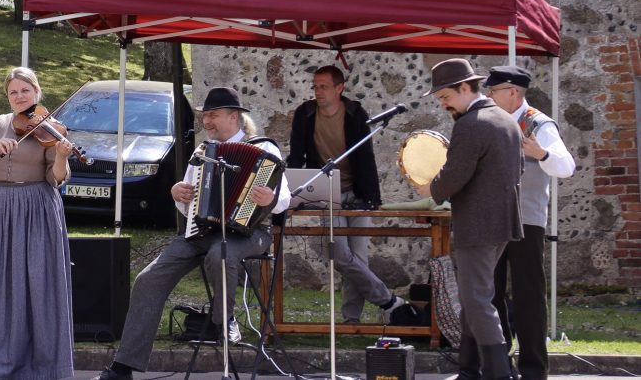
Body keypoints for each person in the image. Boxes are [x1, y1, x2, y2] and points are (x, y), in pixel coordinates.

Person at [95, 86, 291, 380]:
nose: (206, 122)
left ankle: (224, 320)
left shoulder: (265, 150)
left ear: (234, 116)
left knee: (221, 253)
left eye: (213, 116)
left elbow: (285, 198)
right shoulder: (203, 152)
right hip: (201, 232)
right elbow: (188, 204)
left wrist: (270, 199)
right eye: (205, 116)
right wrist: (178, 194)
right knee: (149, 279)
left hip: (251, 233)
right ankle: (123, 368)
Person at [0, 67, 75, 380]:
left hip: (37, 207)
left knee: (39, 282)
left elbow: (56, 178)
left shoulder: (50, 129)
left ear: (36, 92)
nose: (20, 96)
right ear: (7, 96)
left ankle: (43, 365)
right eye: (13, 92)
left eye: (25, 90)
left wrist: (62, 156)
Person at [414, 59, 523, 380]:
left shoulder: (471, 123)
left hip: (478, 224)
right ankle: (470, 369)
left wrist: (431, 188)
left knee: (475, 299)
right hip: (502, 220)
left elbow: (454, 174)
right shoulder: (505, 119)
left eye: (445, 96)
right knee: (474, 295)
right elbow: (517, 170)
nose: (443, 103)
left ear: (465, 88)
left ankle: (498, 373)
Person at [287, 65, 406, 323]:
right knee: (341, 255)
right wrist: (293, 191)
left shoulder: (355, 113)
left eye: (324, 86)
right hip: (327, 192)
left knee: (359, 257)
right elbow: (296, 155)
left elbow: (366, 158)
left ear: (339, 88)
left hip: (359, 193)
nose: (318, 91)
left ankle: (351, 319)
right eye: (315, 86)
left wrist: (372, 197)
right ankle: (388, 301)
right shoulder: (305, 114)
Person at [481, 65, 575, 380]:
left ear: (512, 92)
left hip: (527, 221)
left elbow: (566, 167)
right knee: (490, 293)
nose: (488, 96)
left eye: (493, 91)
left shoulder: (538, 123)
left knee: (528, 296)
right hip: (492, 219)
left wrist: (541, 153)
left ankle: (533, 370)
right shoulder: (489, 121)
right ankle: (498, 365)